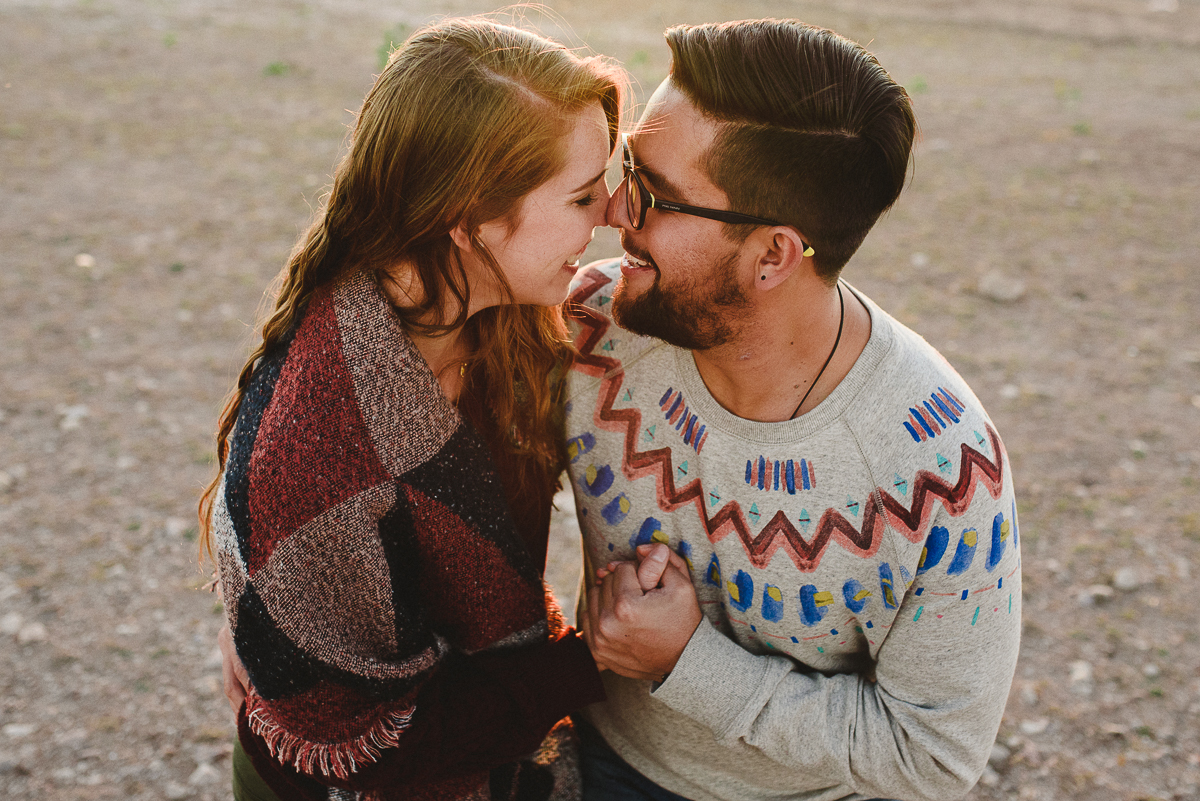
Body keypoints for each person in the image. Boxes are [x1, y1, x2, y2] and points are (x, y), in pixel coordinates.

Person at [569, 19, 1022, 801]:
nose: (614, 209)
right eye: (625, 171)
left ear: (774, 255)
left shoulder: (941, 468)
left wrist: (687, 663)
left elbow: (935, 758)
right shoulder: (591, 329)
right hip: (596, 759)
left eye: (653, 193)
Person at [199, 17, 625, 801]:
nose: (616, 213)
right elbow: (376, 752)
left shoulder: (506, 311)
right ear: (468, 219)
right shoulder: (319, 446)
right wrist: (598, 653)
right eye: (582, 195)